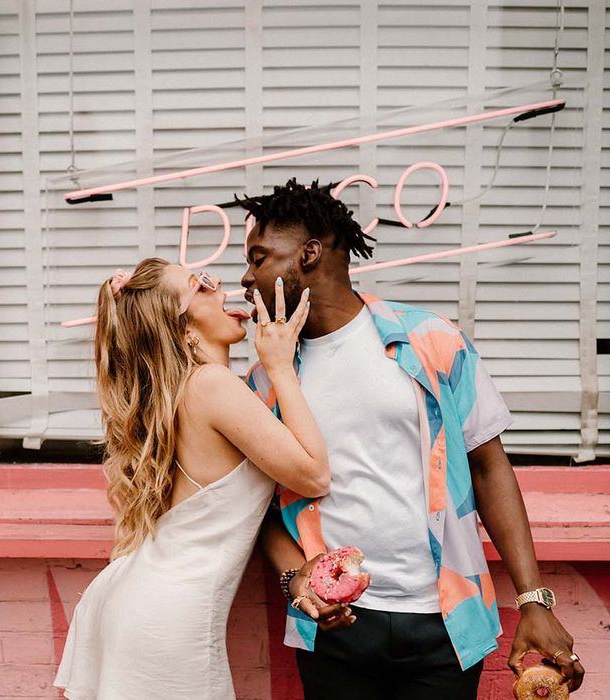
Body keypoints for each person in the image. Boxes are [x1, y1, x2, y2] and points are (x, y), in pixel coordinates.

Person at [237, 179, 585, 699]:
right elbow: (259, 508)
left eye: (259, 258)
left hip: (443, 622)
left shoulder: (429, 340)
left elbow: (490, 468)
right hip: (335, 630)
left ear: (309, 254)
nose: (246, 277)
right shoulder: (266, 381)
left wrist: (533, 598)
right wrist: (298, 580)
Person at [54, 257, 331, 700]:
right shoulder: (211, 386)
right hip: (171, 619)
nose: (220, 287)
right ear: (181, 327)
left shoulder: (188, 390)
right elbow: (314, 474)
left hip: (139, 601)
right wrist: (279, 365)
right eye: (200, 285)